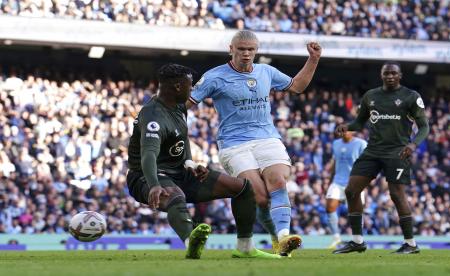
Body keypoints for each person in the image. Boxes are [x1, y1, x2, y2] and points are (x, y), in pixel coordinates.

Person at [187, 30, 322, 256]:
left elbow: (297, 86)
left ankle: (282, 238)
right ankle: (274, 237)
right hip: (234, 144)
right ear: (231, 49)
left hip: (267, 138)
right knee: (258, 196)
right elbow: (186, 104)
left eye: (251, 49)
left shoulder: (265, 71)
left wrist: (313, 59)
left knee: (278, 181)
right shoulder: (214, 76)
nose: (246, 54)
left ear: (256, 51)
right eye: (241, 49)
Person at [126, 63, 280, 259]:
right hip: (147, 175)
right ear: (177, 87)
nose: (193, 90)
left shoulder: (178, 108)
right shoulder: (153, 116)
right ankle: (192, 243)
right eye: (190, 85)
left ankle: (245, 247)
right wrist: (154, 185)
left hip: (180, 173)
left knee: (243, 188)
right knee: (174, 195)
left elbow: (181, 140)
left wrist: (189, 164)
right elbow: (148, 154)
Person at [333, 61, 429, 254]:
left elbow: (424, 126)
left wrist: (413, 144)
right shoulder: (371, 96)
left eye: (394, 73)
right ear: (381, 75)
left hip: (398, 151)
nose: (390, 76)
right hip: (373, 151)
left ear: (400, 75)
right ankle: (357, 241)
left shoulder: (411, 96)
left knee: (396, 195)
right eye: (386, 73)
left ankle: (410, 244)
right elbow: (360, 122)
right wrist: (347, 127)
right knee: (351, 191)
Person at [325, 131, 367, 249]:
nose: (343, 133)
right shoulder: (336, 143)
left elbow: (366, 162)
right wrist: (329, 179)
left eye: (346, 130)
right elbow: (335, 161)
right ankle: (336, 238)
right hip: (337, 181)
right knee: (330, 207)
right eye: (341, 130)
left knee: (356, 212)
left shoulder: (361, 143)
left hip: (354, 182)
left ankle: (358, 239)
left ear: (353, 131)